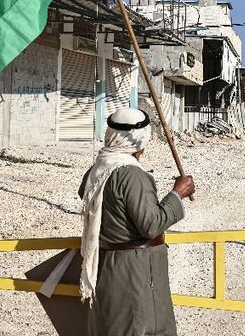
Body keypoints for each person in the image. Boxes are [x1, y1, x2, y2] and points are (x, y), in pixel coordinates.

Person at [79, 107, 196, 336]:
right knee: (141, 326)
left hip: (107, 265)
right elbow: (150, 224)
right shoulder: (131, 175)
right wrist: (177, 194)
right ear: (141, 139)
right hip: (134, 271)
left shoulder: (98, 169)